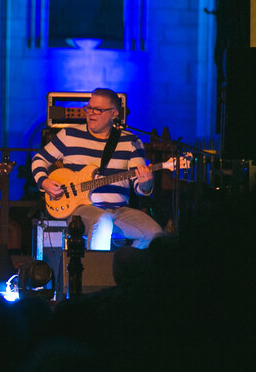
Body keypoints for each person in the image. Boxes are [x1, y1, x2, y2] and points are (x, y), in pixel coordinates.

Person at [31, 87, 163, 250]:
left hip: (120, 212)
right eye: (89, 108)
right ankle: (96, 274)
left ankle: (123, 267)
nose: (91, 113)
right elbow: (39, 159)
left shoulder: (131, 142)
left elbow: (140, 187)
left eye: (98, 110)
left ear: (114, 113)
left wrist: (146, 184)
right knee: (102, 221)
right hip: (81, 211)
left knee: (155, 234)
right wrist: (44, 182)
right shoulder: (69, 135)